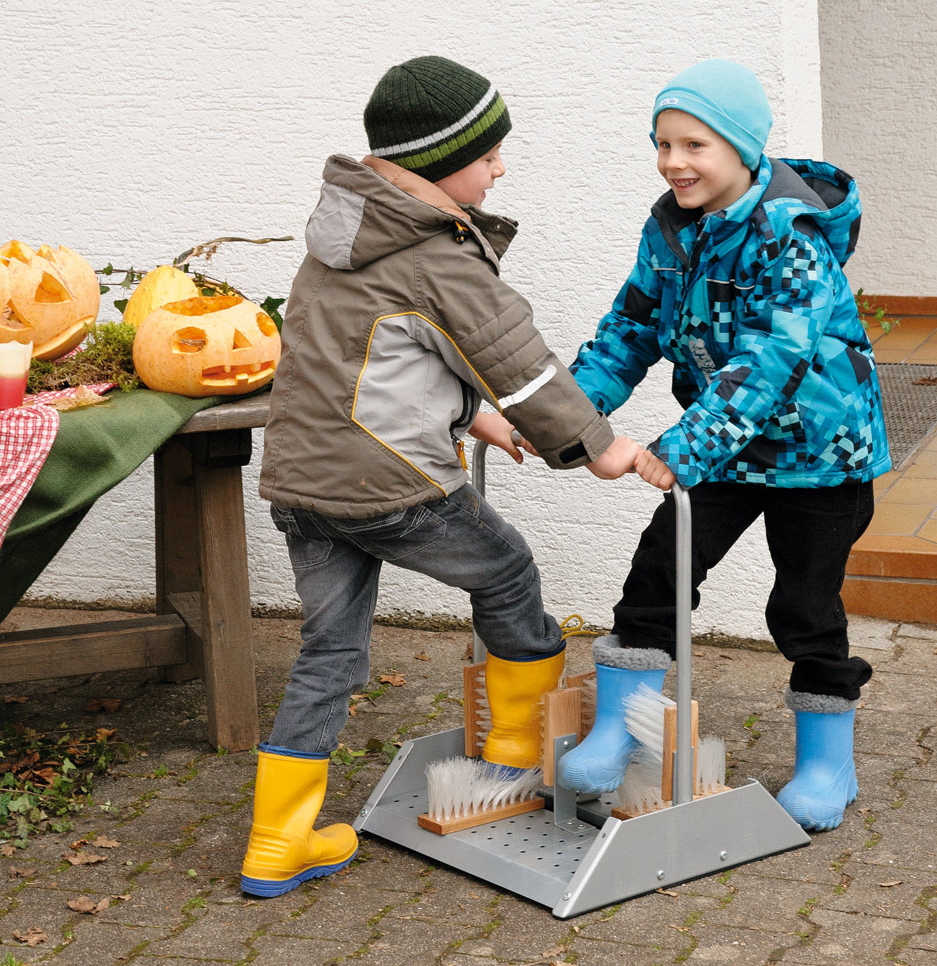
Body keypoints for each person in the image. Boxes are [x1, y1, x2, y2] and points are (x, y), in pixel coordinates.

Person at [242, 55, 669, 897]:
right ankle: (515, 757)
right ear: (438, 162)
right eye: (489, 154)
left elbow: (363, 356)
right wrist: (596, 446)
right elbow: (523, 367)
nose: (499, 168)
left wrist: (466, 414)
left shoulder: (343, 239)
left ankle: (276, 841)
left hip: (302, 483)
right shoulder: (436, 257)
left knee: (329, 651)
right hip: (385, 485)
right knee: (506, 571)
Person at [557, 59, 890, 832]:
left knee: (802, 608)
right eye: (662, 144)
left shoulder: (791, 237)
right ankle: (621, 731)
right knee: (659, 572)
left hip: (819, 457)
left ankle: (826, 766)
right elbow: (630, 327)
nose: (673, 162)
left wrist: (682, 445)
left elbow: (771, 362)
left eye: (693, 145)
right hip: (725, 454)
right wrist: (566, 416)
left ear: (740, 149)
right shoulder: (669, 229)